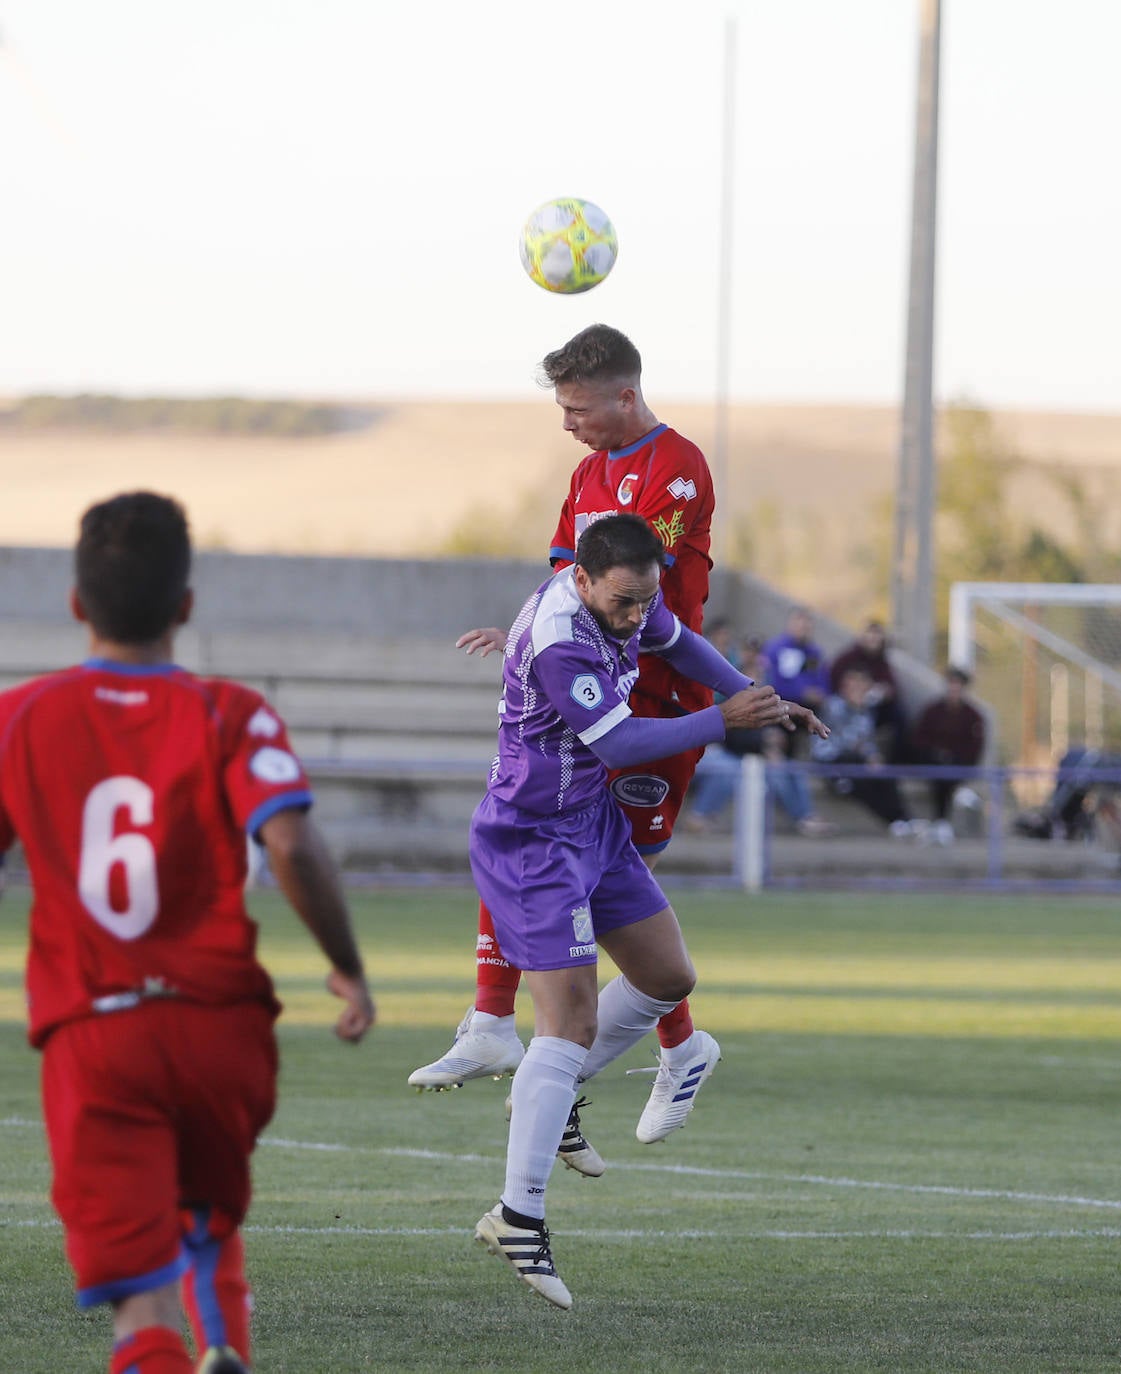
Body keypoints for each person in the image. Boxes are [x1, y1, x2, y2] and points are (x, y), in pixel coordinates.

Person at [0, 492, 375, 1374]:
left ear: (77, 604)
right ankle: (226, 1351)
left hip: (97, 1031)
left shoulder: (20, 716)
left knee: (141, 1307)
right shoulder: (231, 712)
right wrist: (348, 968)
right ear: (185, 606)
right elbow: (291, 843)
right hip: (220, 1029)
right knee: (206, 1217)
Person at [467, 514, 826, 1309]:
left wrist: (758, 698)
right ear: (581, 579)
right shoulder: (560, 638)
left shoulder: (627, 593)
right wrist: (724, 720)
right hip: (533, 840)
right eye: (622, 603)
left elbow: (679, 642)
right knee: (567, 1023)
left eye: (644, 600)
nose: (635, 617)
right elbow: (621, 745)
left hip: (589, 825)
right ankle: (518, 1215)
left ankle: (551, 1090)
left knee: (667, 975)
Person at [409, 324, 723, 1146]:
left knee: (613, 884)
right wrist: (526, 632)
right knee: (520, 820)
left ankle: (667, 1048)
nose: (567, 424)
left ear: (625, 395)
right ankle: (496, 1024)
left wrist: (731, 703)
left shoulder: (675, 467)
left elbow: (631, 589)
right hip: (591, 686)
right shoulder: (588, 472)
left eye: (578, 408)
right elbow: (568, 575)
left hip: (655, 700)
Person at [811, 666, 916, 836]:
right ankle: (895, 820)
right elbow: (842, 741)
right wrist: (867, 755)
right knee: (862, 783)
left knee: (885, 775)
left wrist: (873, 756)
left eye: (861, 685)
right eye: (853, 684)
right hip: (832, 761)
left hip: (855, 760)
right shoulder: (834, 706)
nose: (857, 689)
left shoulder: (865, 710)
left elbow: (866, 739)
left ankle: (903, 820)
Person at [907, 666, 986, 843]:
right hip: (934, 762)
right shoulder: (932, 711)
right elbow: (920, 738)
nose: (954, 689)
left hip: (958, 763)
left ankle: (941, 821)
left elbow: (974, 747)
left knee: (948, 775)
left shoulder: (973, 716)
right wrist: (937, 753)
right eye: (951, 684)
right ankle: (942, 821)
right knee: (940, 774)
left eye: (958, 685)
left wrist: (955, 757)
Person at [828, 619, 905, 761]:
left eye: (877, 636)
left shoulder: (882, 662)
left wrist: (883, 692)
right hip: (845, 705)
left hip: (869, 705)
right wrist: (851, 696)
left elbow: (892, 687)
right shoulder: (847, 658)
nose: (873, 640)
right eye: (870, 635)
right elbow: (834, 680)